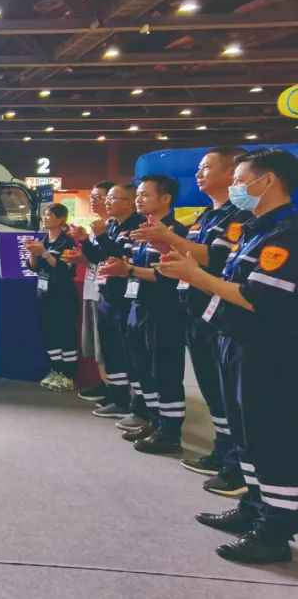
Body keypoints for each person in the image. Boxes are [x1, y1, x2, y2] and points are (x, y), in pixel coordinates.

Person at [159, 148, 298, 564]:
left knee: (271, 437)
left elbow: (258, 297)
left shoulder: (285, 234)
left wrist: (196, 276)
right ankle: (254, 507)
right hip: (236, 340)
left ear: (267, 180)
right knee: (247, 432)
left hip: (268, 350)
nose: (236, 187)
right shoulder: (256, 230)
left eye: (240, 180)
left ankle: (275, 531)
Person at [131, 148, 249, 494]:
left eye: (206, 167)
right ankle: (224, 451)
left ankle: (236, 464)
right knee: (213, 389)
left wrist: (169, 238)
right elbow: (190, 256)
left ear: (231, 173)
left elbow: (215, 258)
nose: (198, 174)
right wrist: (168, 249)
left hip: (220, 311)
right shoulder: (204, 217)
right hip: (195, 308)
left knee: (228, 393)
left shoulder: (238, 217)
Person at [99, 175, 188, 455]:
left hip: (164, 311)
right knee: (144, 368)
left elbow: (167, 275)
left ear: (166, 199)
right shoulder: (141, 231)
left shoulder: (174, 232)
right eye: (137, 194)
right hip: (138, 306)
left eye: (145, 195)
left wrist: (128, 270)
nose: (139, 199)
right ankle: (154, 421)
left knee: (165, 371)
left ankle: (170, 433)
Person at [74, 183, 144, 421]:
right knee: (111, 349)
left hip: (125, 297)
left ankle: (136, 405)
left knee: (128, 352)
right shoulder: (112, 225)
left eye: (112, 198)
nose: (107, 202)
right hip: (107, 294)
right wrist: (85, 240)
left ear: (129, 202)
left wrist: (102, 236)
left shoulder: (136, 226)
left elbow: (121, 256)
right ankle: (118, 398)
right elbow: (99, 257)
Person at [65, 181, 113, 403]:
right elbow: (95, 258)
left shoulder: (113, 228)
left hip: (107, 292)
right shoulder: (97, 227)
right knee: (96, 344)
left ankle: (116, 391)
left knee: (107, 346)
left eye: (98, 197)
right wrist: (81, 257)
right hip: (92, 287)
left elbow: (110, 257)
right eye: (92, 197)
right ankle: (106, 384)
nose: (94, 200)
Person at [26, 204, 78, 392]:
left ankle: (68, 375)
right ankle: (56, 370)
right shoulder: (43, 240)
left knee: (65, 335)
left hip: (62, 295)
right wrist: (33, 253)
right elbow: (34, 267)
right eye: (44, 215)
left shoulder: (68, 242)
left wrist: (44, 253)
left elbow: (65, 268)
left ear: (61, 219)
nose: (45, 218)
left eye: (49, 215)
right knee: (50, 334)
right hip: (44, 294)